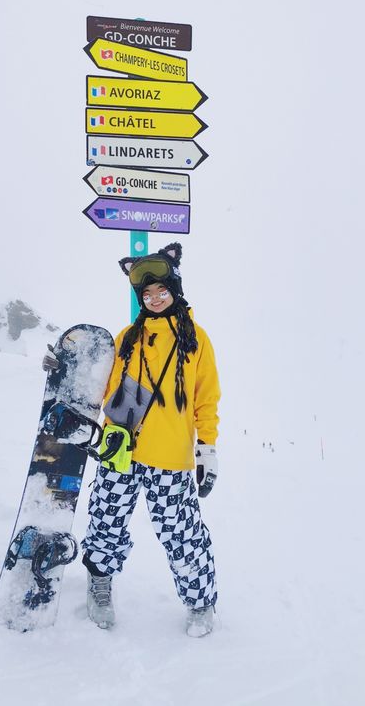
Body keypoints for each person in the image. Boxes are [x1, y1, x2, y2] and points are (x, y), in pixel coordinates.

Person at [81, 242, 221, 637]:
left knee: (181, 531)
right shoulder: (127, 336)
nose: (155, 299)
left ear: (174, 289)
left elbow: (206, 398)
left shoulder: (196, 339)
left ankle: (200, 602)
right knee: (106, 520)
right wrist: (68, 370)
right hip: (120, 448)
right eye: (147, 294)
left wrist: (206, 448)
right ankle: (100, 584)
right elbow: (102, 386)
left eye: (162, 291)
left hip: (169, 454)